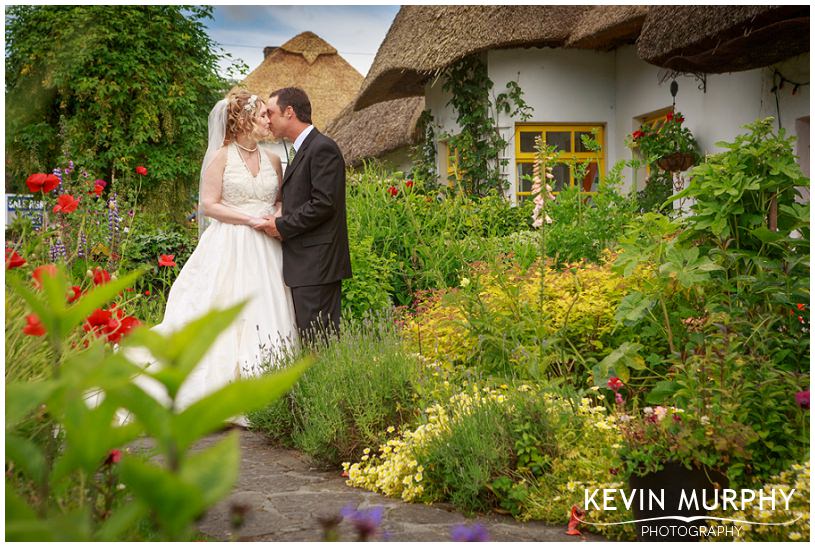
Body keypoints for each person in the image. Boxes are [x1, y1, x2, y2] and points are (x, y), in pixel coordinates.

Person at [124, 90, 298, 416]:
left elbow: (279, 199)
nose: (267, 120)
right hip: (229, 243)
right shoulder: (221, 157)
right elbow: (209, 204)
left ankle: (269, 392)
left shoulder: (274, 159)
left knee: (268, 308)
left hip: (267, 248)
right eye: (262, 115)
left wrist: (274, 214)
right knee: (223, 308)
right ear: (244, 119)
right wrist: (248, 218)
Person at [256, 87, 351, 342]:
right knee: (312, 341)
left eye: (271, 112)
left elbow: (323, 204)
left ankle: (328, 383)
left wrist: (282, 225)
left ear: (289, 112)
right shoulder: (303, 149)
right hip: (306, 265)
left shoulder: (322, 148)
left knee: (319, 343)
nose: (268, 119)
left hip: (317, 264)